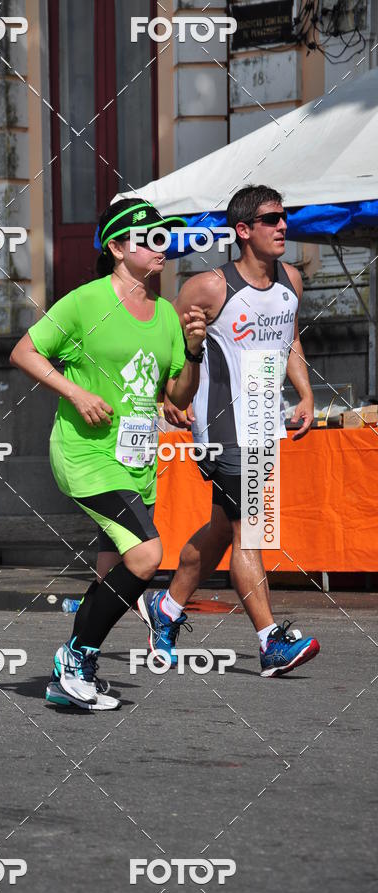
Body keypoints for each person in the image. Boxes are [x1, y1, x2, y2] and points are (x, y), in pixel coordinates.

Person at [10, 197, 206, 709]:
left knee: (110, 573)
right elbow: (23, 352)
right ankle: (75, 659)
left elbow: (178, 397)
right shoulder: (85, 302)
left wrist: (192, 351)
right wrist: (74, 392)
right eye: (149, 238)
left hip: (139, 463)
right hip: (87, 457)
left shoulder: (165, 313)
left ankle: (71, 676)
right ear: (117, 248)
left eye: (164, 237)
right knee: (146, 555)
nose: (161, 246)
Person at [139, 185, 320, 678]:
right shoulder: (209, 288)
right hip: (222, 424)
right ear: (243, 231)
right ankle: (268, 643)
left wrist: (303, 394)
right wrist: (163, 400)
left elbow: (291, 338)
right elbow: (165, 346)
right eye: (271, 219)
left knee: (223, 527)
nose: (283, 226)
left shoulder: (293, 281)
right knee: (249, 530)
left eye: (284, 217)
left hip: (265, 420)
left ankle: (167, 608)